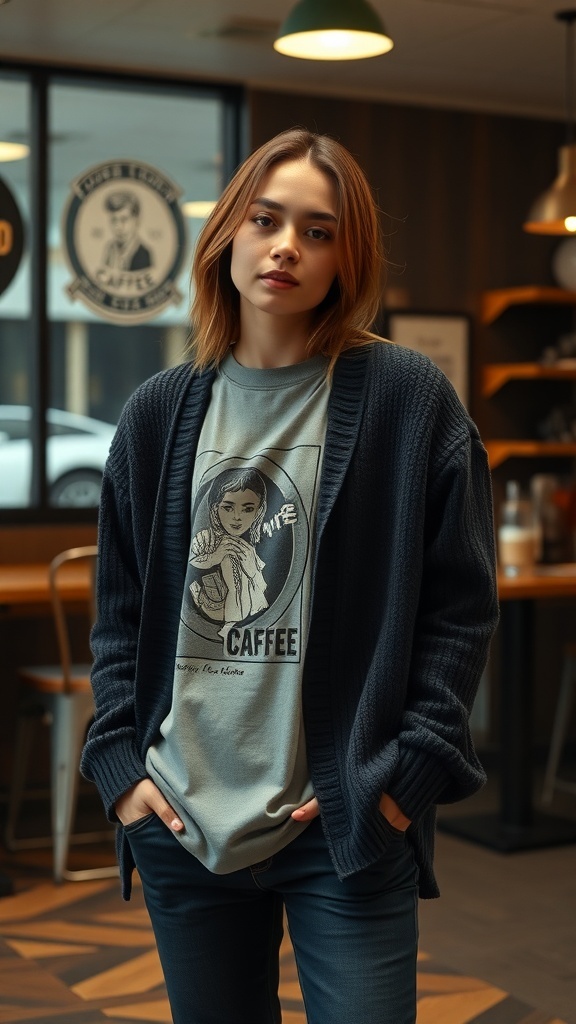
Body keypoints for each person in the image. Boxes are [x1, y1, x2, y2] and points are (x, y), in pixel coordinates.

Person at [81, 128, 499, 1024]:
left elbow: (463, 610)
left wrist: (404, 781)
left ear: (347, 258)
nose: (286, 247)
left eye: (319, 230)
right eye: (267, 220)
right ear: (226, 233)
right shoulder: (157, 414)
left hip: (344, 824)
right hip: (182, 824)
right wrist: (123, 777)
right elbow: (117, 616)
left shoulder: (407, 400)